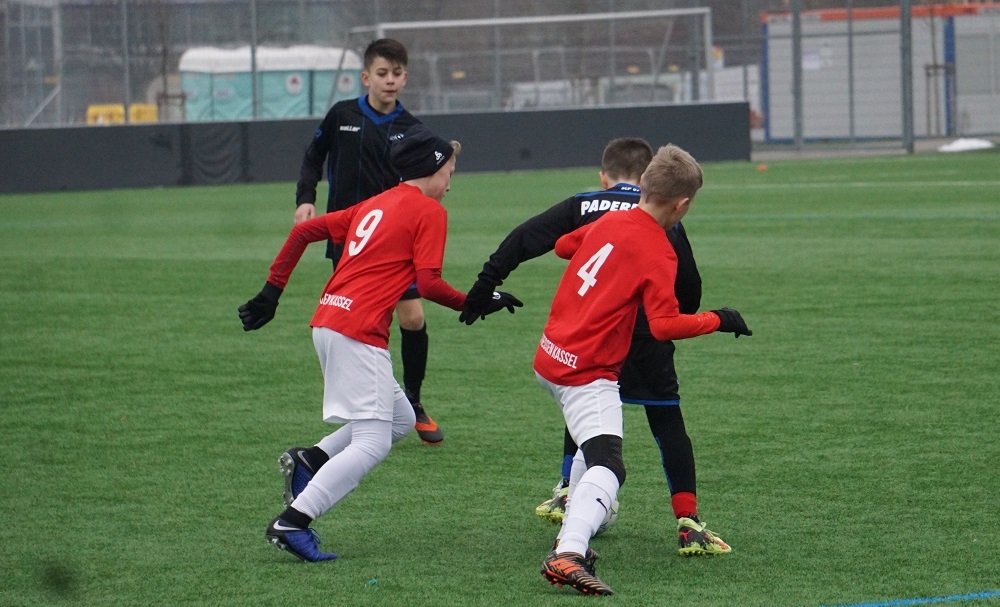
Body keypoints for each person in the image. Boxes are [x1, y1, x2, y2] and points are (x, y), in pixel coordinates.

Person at [239, 126, 521, 562]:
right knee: (373, 443)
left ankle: (310, 459)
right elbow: (429, 283)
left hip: (328, 322)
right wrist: (477, 302)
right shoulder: (429, 211)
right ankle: (294, 521)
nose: (451, 182)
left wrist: (271, 292)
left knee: (401, 419)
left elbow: (302, 232)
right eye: (450, 171)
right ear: (433, 168)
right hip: (358, 331)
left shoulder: (375, 202)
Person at [463, 137, 730, 557]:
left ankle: (567, 493)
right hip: (634, 339)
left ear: (606, 177)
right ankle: (686, 521)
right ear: (679, 203)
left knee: (585, 414)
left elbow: (543, 239)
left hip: (565, 344)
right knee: (661, 421)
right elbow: (687, 293)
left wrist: (486, 283)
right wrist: (716, 318)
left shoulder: (588, 206)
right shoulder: (664, 233)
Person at [529, 144, 752, 595]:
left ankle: (571, 530)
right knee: (610, 466)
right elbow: (665, 325)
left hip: (551, 354)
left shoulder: (608, 220)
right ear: (682, 204)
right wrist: (719, 319)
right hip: (587, 371)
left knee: (592, 447)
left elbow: (563, 245)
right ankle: (568, 552)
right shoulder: (659, 249)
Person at [293, 37, 443, 445]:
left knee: (412, 318)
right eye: (382, 73)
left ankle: (413, 401)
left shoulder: (412, 129)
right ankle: (364, 406)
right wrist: (306, 199)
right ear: (365, 77)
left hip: (395, 241)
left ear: (405, 78)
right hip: (350, 238)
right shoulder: (342, 115)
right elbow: (313, 157)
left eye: (396, 73)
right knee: (357, 320)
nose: (389, 80)